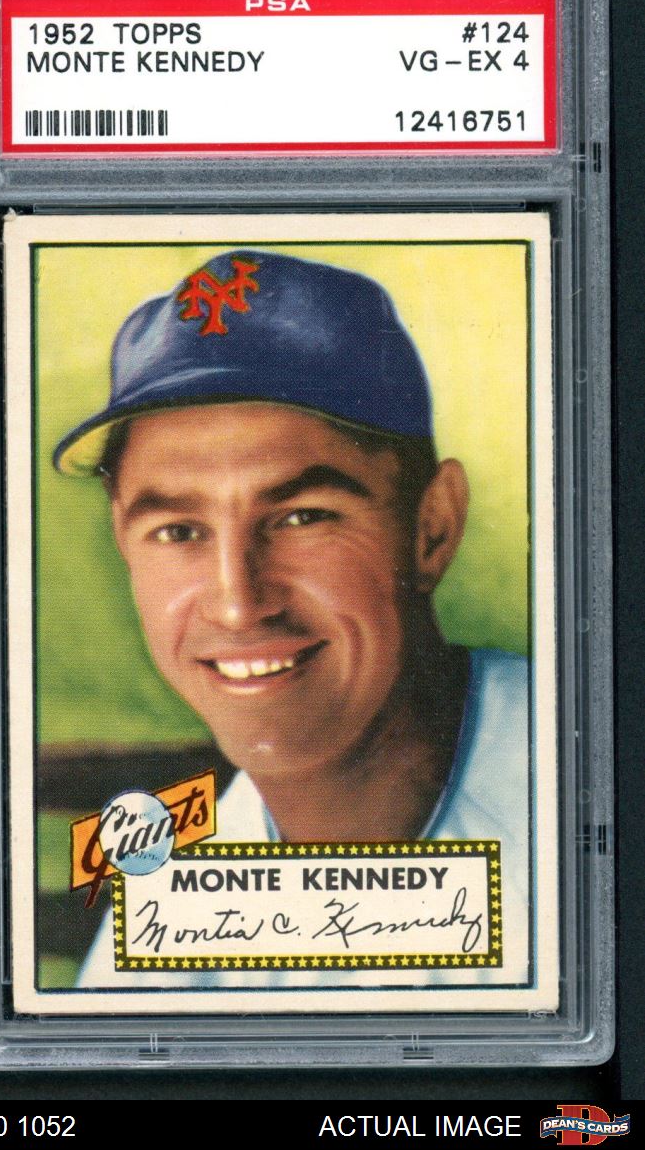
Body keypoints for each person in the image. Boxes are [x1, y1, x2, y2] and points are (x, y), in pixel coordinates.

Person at [53, 250, 528, 988]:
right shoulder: (174, 906)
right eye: (178, 531)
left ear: (430, 528)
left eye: (303, 517)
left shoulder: (586, 770)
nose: (237, 602)